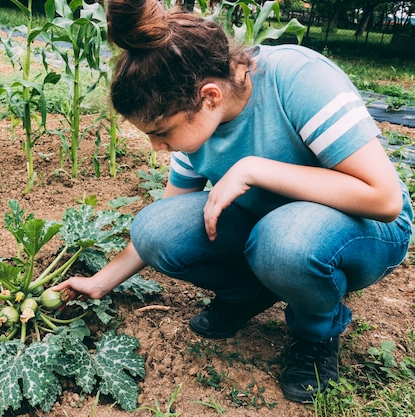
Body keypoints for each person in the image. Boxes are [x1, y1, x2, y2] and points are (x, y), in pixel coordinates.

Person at [53, 0, 413, 403]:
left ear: (209, 96)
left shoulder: (298, 79)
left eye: (162, 131)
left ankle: (317, 332)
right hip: (269, 224)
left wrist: (254, 169)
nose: (157, 146)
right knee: (156, 229)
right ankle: (251, 292)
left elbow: (383, 199)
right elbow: (167, 217)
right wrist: (100, 282)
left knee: (284, 241)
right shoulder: (195, 114)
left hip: (366, 229)